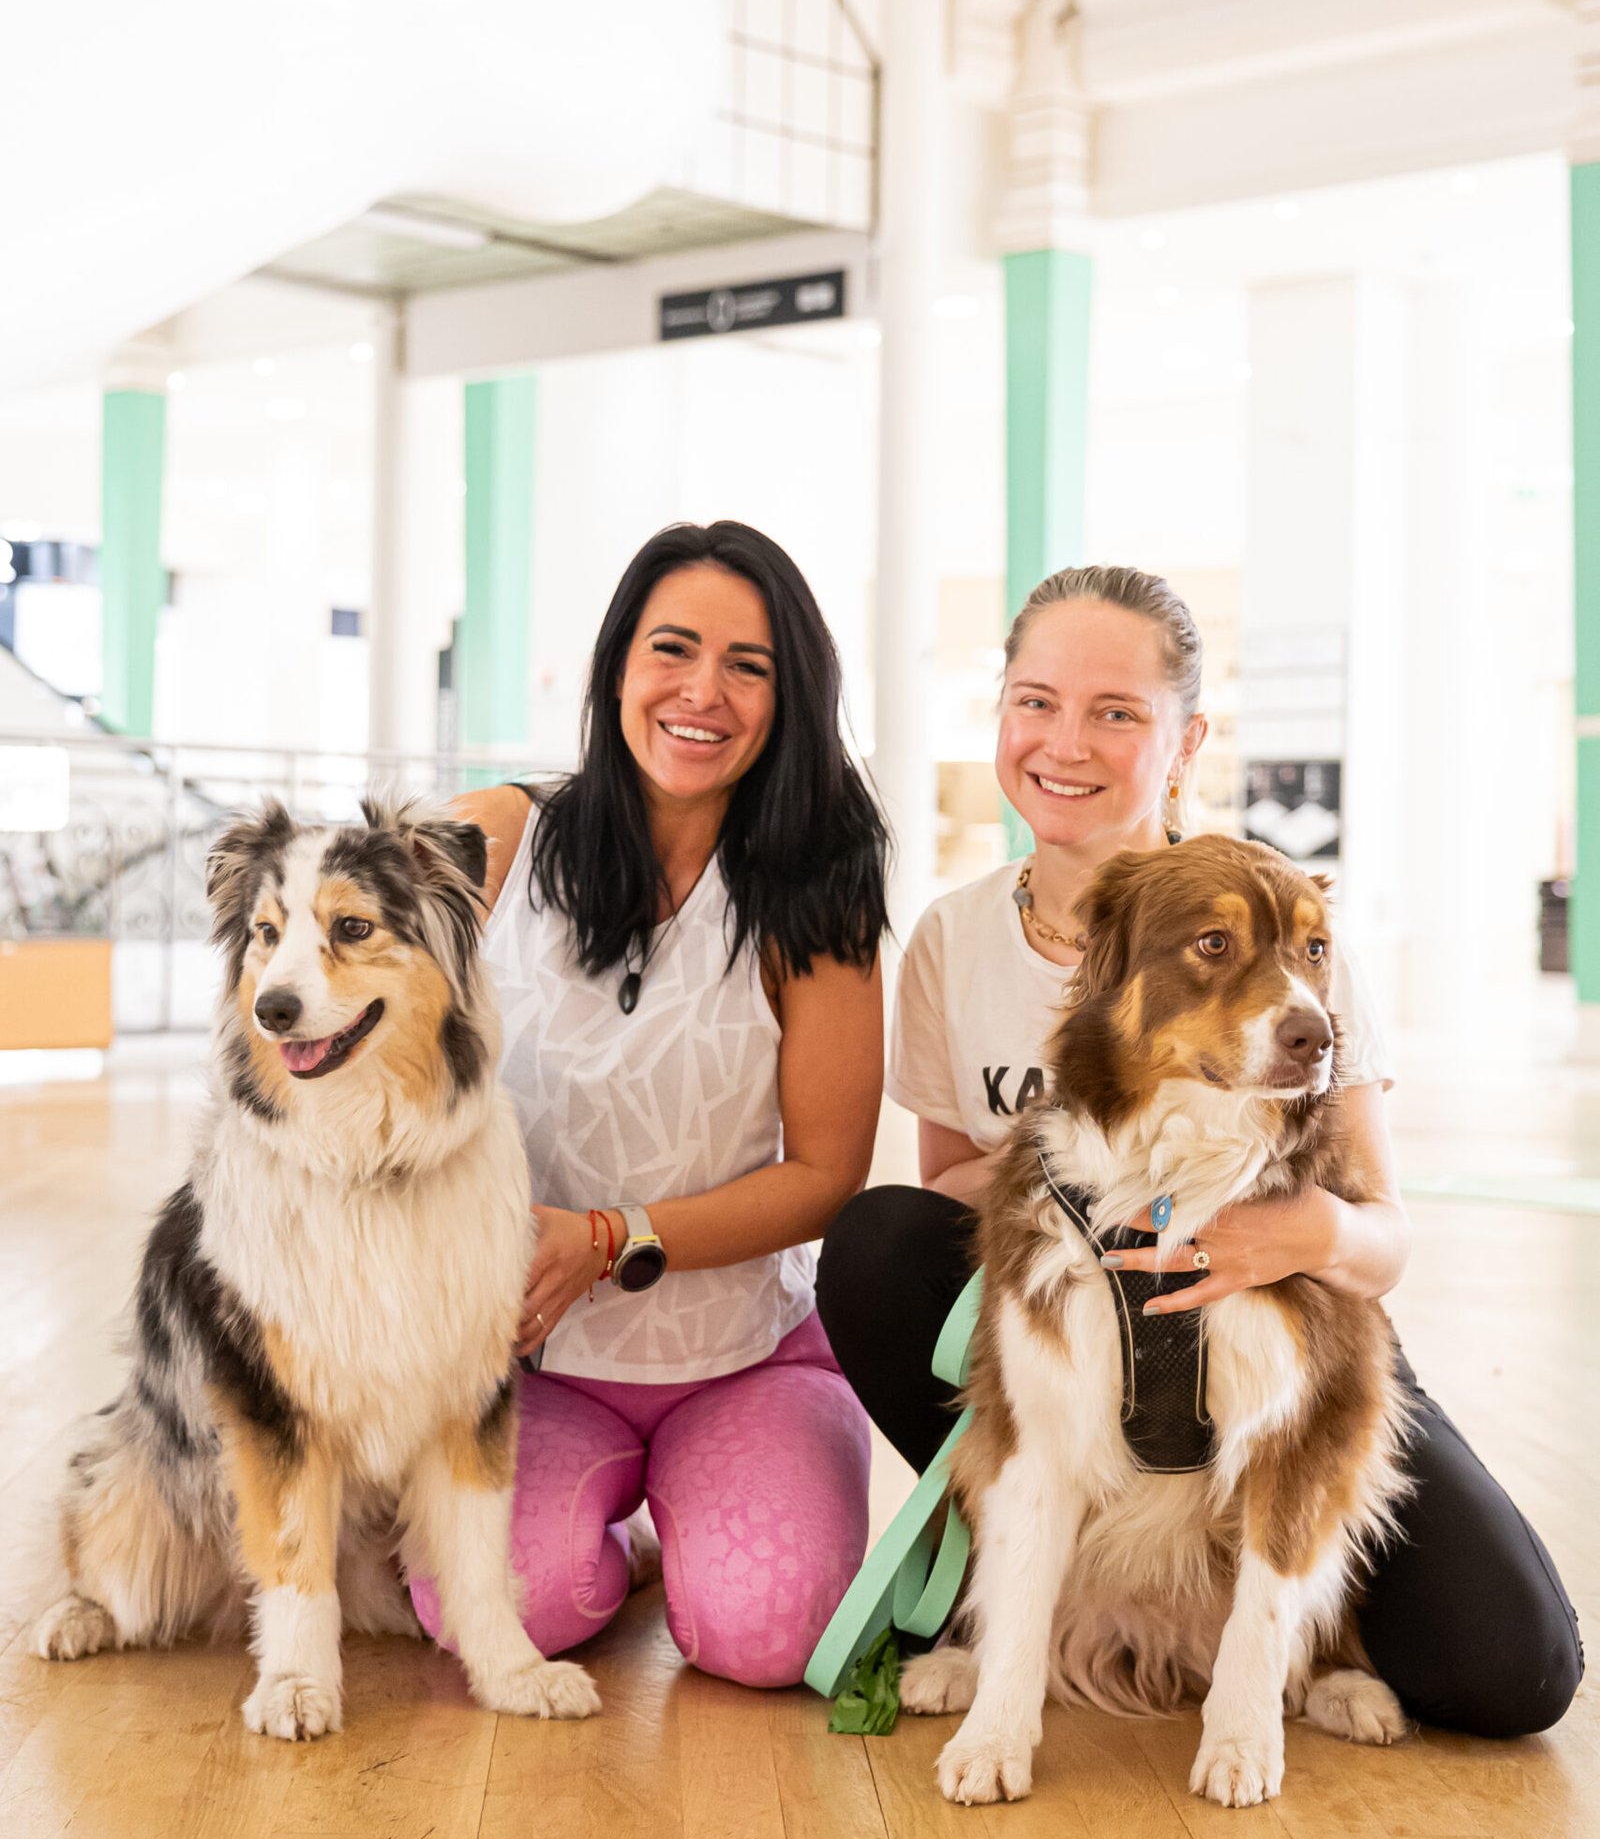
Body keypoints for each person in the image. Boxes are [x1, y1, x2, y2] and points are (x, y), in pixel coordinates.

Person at [818, 563, 1583, 1738]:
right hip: (1079, 1309)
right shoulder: (952, 938)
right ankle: (1011, 1594)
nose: (1064, 741)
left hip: (1289, 1321)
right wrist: (1091, 1191)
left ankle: (1269, 1632)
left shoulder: (1290, 935)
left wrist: (1299, 1231)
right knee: (881, 1244)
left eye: (1115, 711)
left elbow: (1381, 1243)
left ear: (1183, 741)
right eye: (1036, 701)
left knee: (1510, 1671)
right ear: (1003, 713)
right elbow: (954, 1194)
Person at [410, 521, 887, 1688]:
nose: (702, 693)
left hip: (744, 1354)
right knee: (510, 1608)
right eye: (671, 649)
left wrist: (610, 1240)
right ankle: (619, 1538)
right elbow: (358, 1034)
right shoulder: (495, 839)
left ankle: (711, 1507)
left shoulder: (815, 886)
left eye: (749, 666)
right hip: (527, 1366)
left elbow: (827, 1175)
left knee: (768, 1635)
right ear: (618, 663)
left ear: (792, 697)